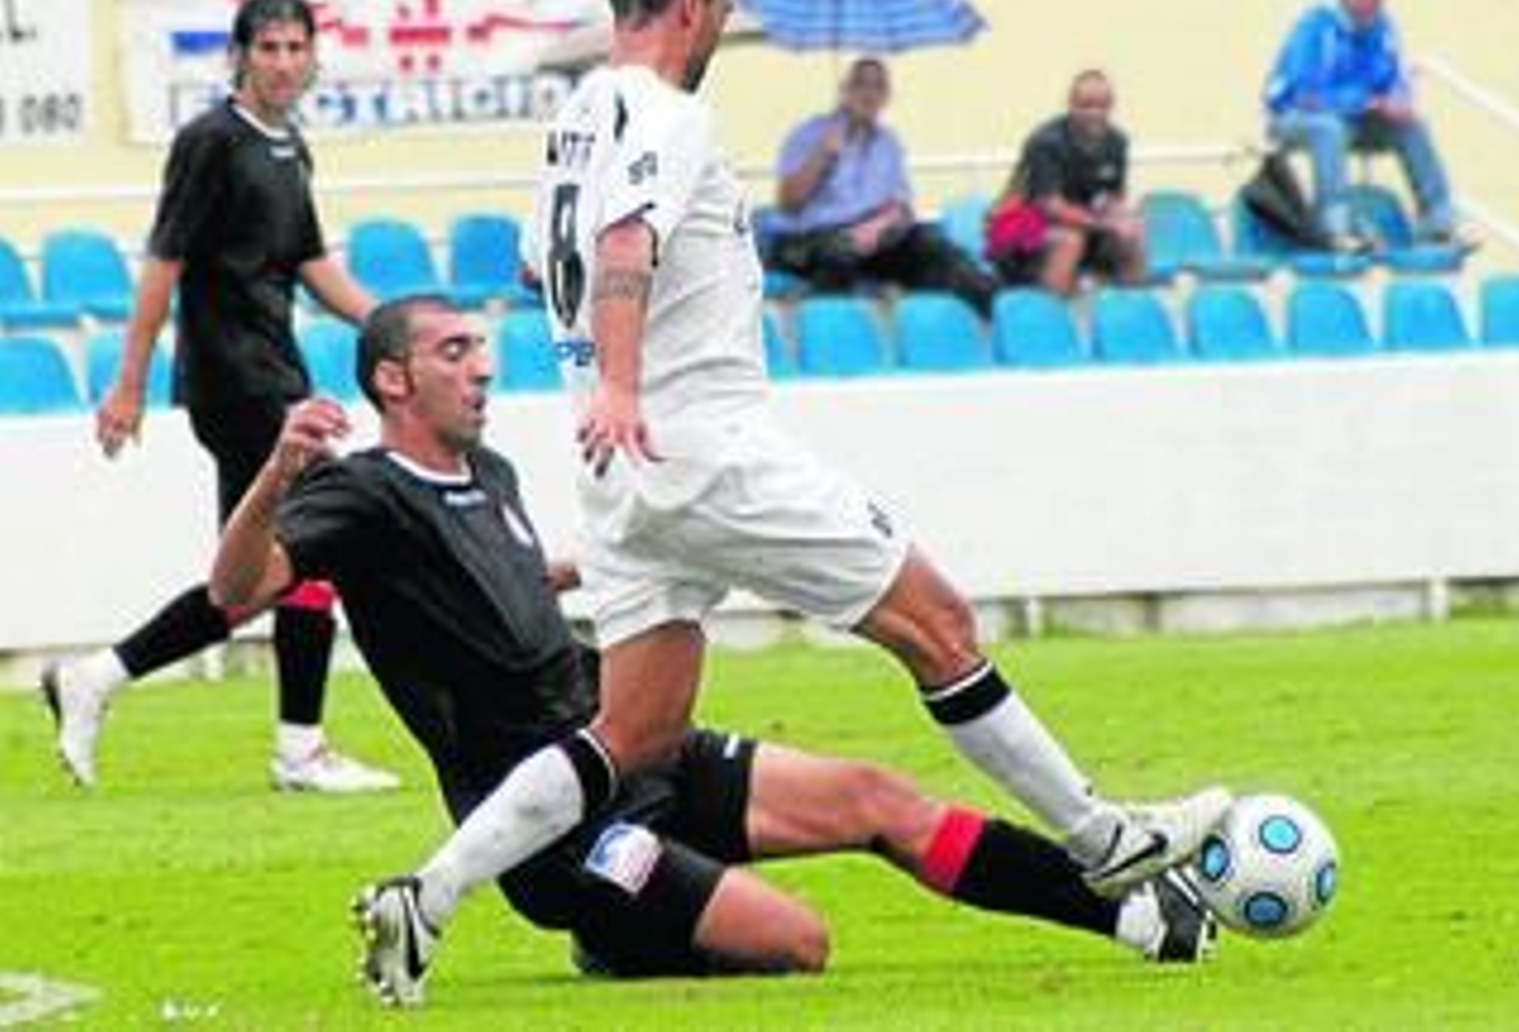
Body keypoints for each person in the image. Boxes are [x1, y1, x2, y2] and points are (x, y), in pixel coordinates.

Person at [356, 0, 1229, 1001]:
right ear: (693, 5)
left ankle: (428, 895)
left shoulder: (576, 118)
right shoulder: (667, 112)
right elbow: (625, 242)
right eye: (723, 9)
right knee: (938, 624)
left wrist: (618, 373)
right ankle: (1103, 840)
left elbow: (550, 263)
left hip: (623, 473)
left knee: (634, 731)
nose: (722, 28)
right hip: (701, 445)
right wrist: (624, 379)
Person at [208, 296, 1218, 1005]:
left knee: (878, 797)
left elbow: (512, 587)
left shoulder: (493, 473)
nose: (482, 366)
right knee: (798, 942)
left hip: (638, 744)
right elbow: (235, 588)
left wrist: (655, 551)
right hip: (554, 828)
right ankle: (612, 931)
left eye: (481, 347)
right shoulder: (360, 491)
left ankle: (1138, 916)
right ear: (392, 379)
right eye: (454, 351)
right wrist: (275, 476)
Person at [39, 0, 397, 795]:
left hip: (276, 373)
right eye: (267, 47)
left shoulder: (289, 146)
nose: (282, 62)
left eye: (295, 47)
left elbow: (312, 264)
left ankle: (99, 676)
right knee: (310, 543)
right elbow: (162, 263)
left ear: (313, 57)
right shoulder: (209, 141)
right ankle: (299, 749)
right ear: (239, 55)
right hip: (235, 382)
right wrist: (127, 383)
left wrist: (397, 324)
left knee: (260, 576)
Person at [1263, 0, 1464, 250]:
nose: (1371, 4)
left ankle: (1439, 221)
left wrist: (1399, 99)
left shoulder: (1381, 27)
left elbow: (1392, 78)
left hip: (1353, 120)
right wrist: (1368, 101)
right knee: (1328, 128)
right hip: (1292, 117)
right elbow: (1306, 94)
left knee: (1412, 125)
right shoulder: (1314, 25)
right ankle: (1333, 227)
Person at [766, 56, 995, 312]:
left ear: (886, 97)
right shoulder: (809, 133)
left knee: (931, 245)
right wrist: (822, 155)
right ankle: (825, 325)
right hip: (807, 240)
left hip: (869, 240)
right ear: (844, 90)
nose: (869, 93)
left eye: (878, 86)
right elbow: (788, 203)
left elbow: (901, 207)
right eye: (861, 84)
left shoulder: (888, 143)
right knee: (839, 253)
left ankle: (988, 309)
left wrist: (875, 228)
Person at [986, 69, 1148, 295]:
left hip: (1079, 223)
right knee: (1070, 240)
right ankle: (1051, 313)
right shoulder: (1046, 142)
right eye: (1086, 105)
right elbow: (1050, 206)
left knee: (1131, 235)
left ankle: (1131, 309)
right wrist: (1104, 224)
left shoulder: (1117, 142)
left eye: (1102, 105)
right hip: (1016, 225)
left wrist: (1123, 218)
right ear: (1070, 104)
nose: (1094, 113)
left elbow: (1112, 196)